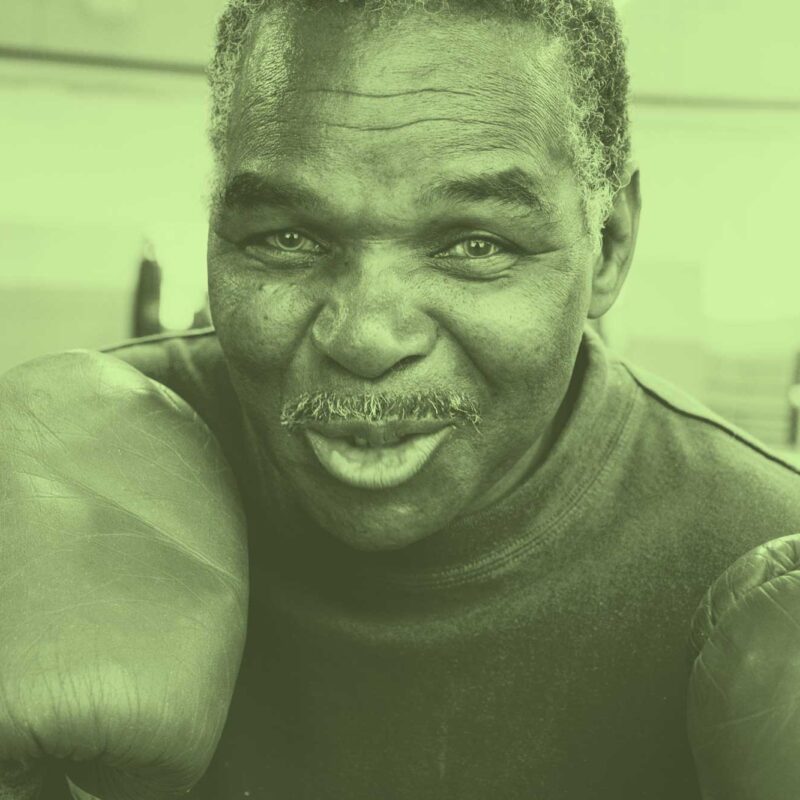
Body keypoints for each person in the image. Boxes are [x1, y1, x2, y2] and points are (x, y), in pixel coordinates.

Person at [2, 1, 800, 798]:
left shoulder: (764, 561)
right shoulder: (43, 486)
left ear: (610, 245)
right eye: (286, 237)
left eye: (474, 244)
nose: (367, 339)